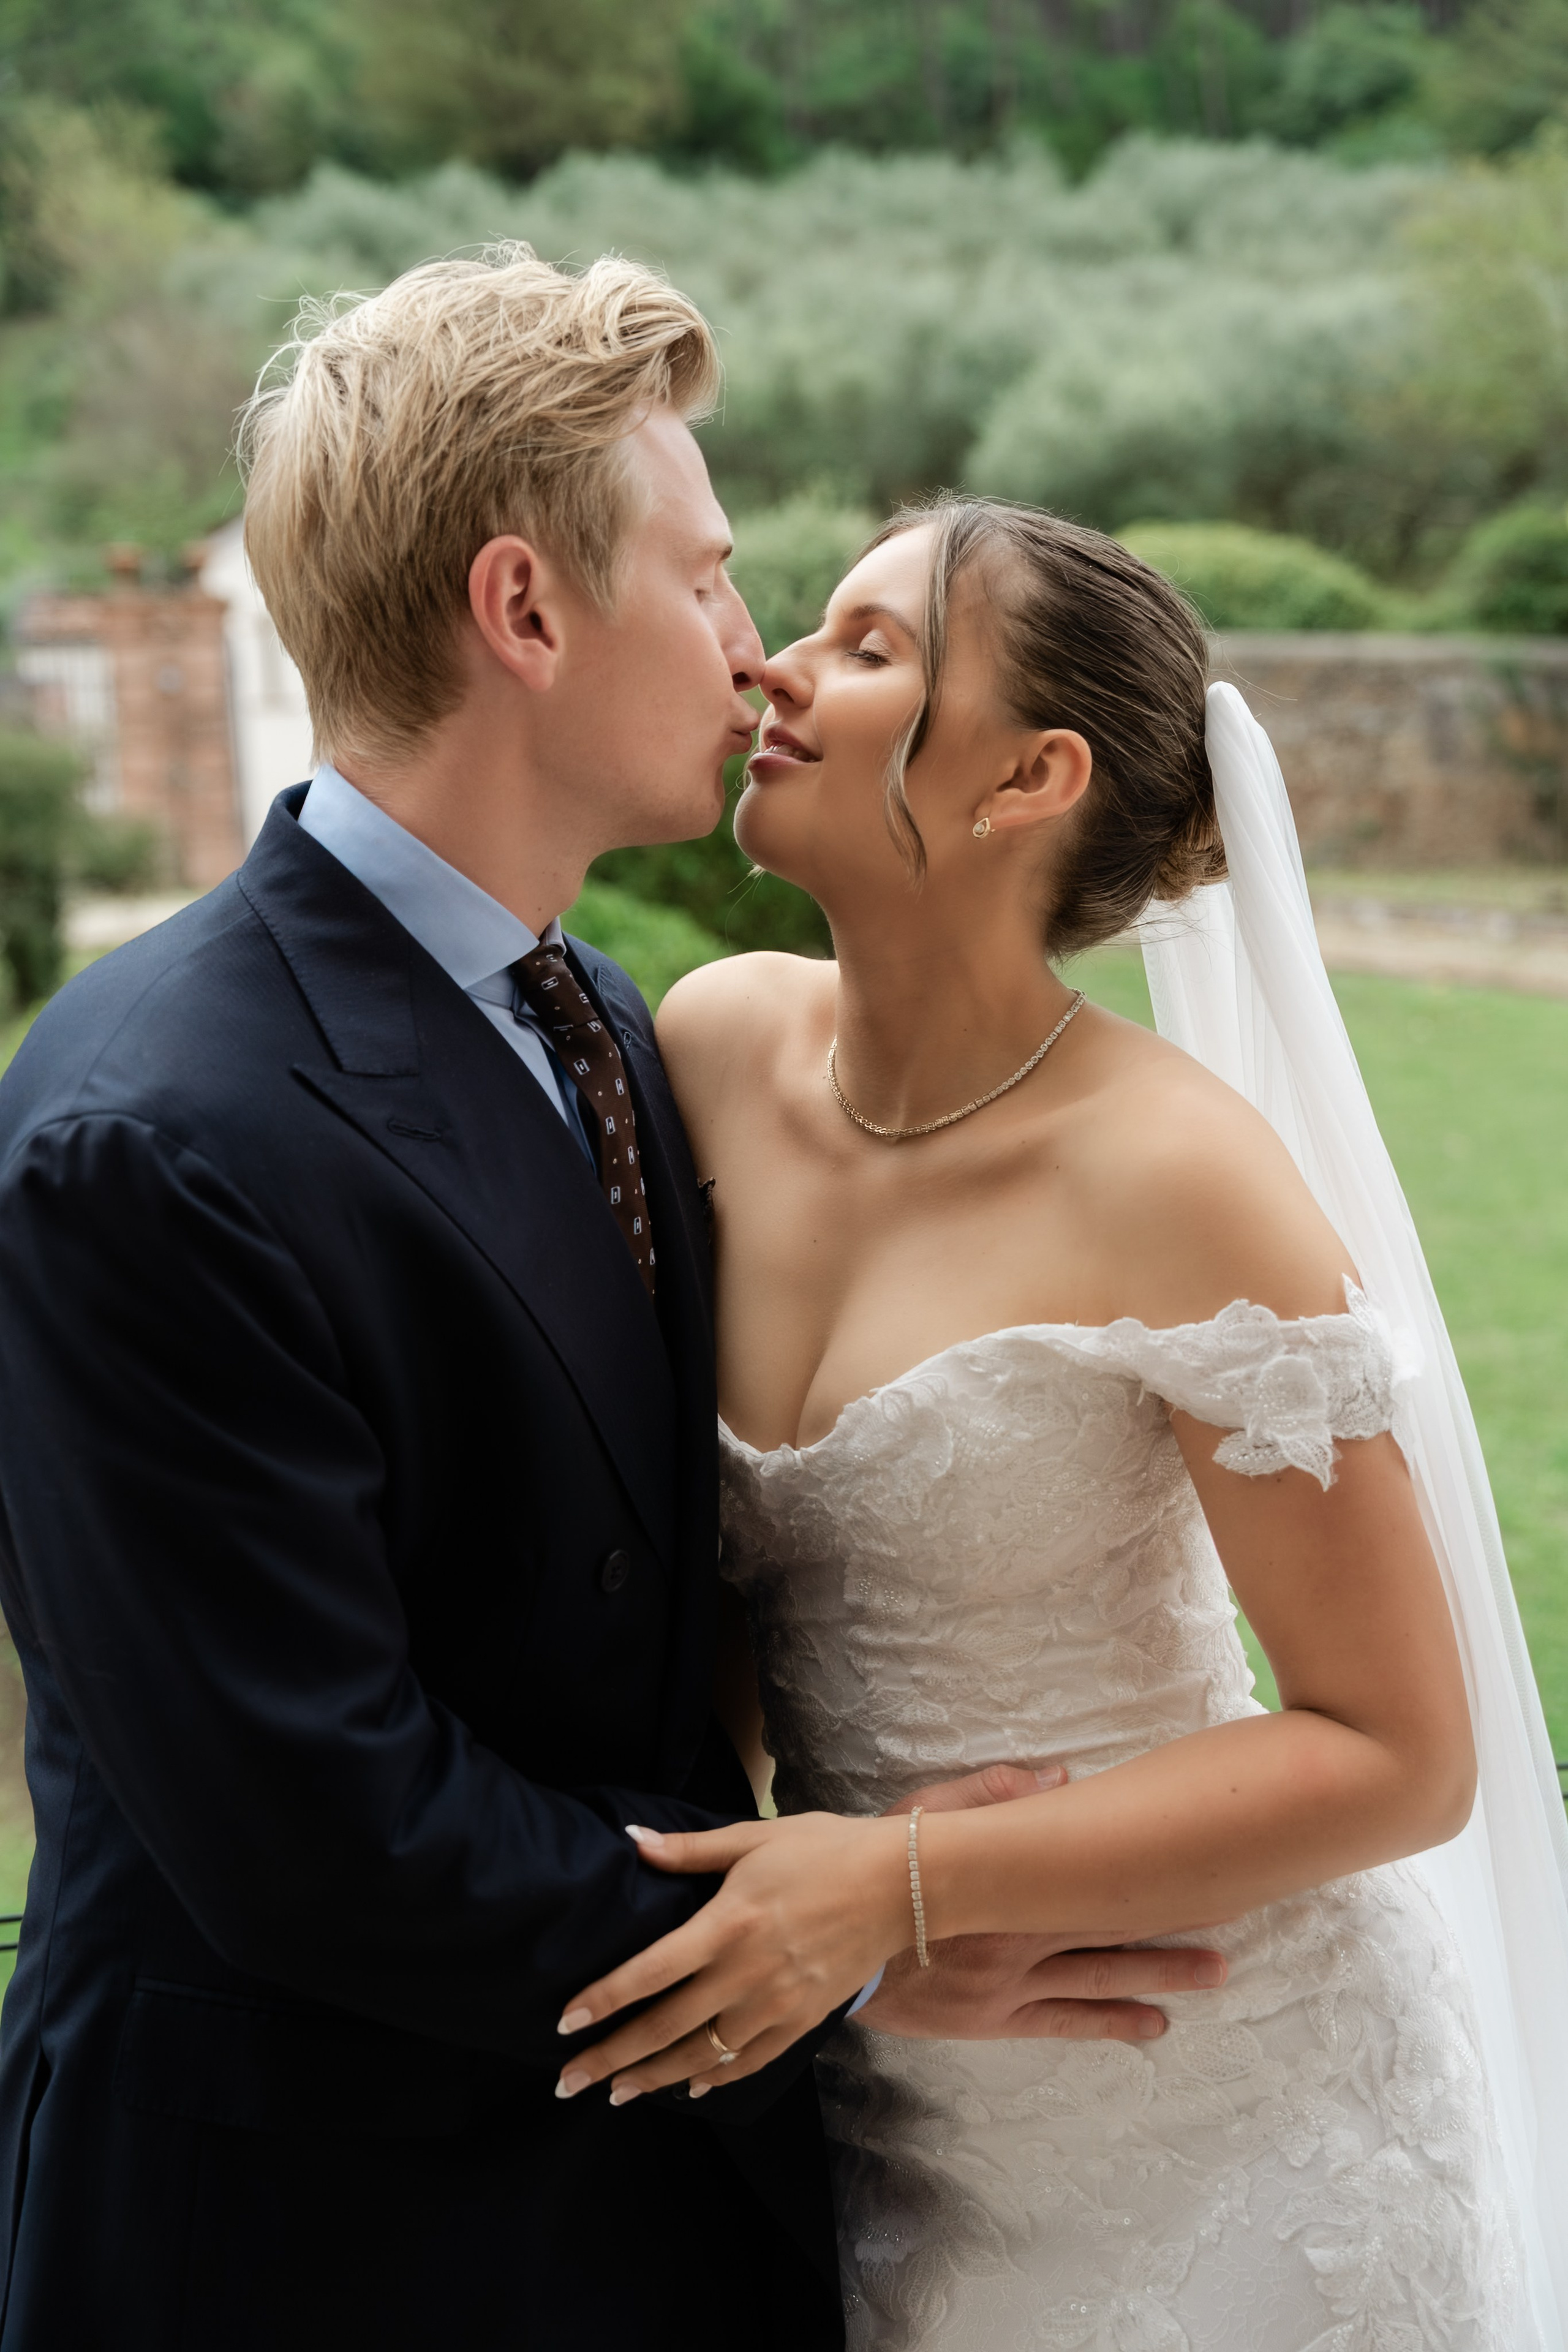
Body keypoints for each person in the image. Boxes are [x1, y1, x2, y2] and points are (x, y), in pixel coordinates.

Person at [0, 260, 1228, 2351]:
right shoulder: (150, 1131)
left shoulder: (603, 1019)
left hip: (638, 2194)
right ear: (528, 614)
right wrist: (842, 1937)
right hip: (311, 2242)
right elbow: (320, 1826)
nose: (755, 655)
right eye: (715, 577)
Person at [552, 499, 1568, 2345]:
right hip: (880, 2092)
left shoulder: (1177, 1180)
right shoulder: (706, 1046)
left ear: (1031, 776)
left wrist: (903, 1880)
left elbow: (1397, 1749)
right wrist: (832, 1934)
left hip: (1234, 2117)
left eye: (871, 651)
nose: (778, 665)